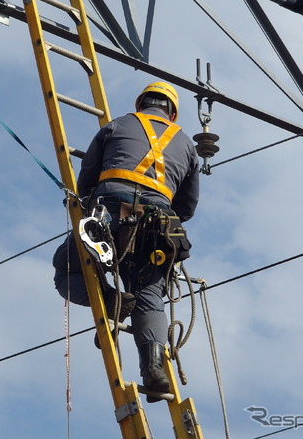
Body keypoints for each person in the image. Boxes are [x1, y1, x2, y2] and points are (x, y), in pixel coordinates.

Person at [52, 81, 199, 402]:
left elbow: (87, 179)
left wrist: (90, 203)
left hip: (109, 215)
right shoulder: (187, 145)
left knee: (66, 271)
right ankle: (154, 368)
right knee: (149, 296)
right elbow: (186, 207)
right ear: (172, 113)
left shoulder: (117, 125)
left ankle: (109, 299)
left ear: (142, 103)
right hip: (159, 226)